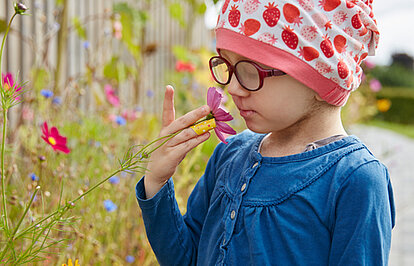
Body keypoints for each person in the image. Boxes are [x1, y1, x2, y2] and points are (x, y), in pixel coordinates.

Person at [136, 0, 395, 265]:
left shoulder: (354, 180)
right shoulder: (229, 155)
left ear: (322, 74)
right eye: (227, 66)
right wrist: (156, 182)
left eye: (250, 70)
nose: (233, 88)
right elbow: (187, 258)